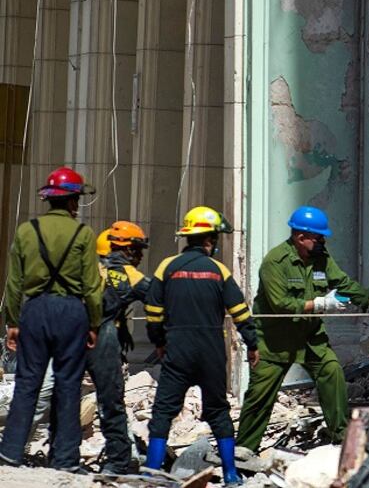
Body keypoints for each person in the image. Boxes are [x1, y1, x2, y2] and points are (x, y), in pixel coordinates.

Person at [237, 207, 369, 451]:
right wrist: (320, 303)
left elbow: (342, 283)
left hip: (311, 338)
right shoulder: (275, 262)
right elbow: (281, 305)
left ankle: (341, 441)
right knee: (260, 396)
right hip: (275, 341)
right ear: (301, 238)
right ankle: (244, 451)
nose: (323, 242)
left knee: (332, 373)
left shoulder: (321, 257)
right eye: (319, 238)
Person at [144, 206, 258, 485]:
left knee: (163, 412)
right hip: (211, 352)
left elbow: (152, 311)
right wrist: (252, 344)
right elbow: (241, 312)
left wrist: (159, 341)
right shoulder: (219, 271)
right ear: (209, 240)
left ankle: (150, 473)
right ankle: (231, 474)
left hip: (177, 350)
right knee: (218, 411)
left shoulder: (166, 267)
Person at [0, 167, 101, 471]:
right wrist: (94, 323)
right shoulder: (83, 234)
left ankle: (10, 453)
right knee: (69, 385)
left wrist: (13, 323)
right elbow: (92, 286)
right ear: (73, 201)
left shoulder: (26, 231)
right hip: (71, 312)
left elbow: (14, 283)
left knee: (27, 383)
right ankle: (65, 459)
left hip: (35, 311)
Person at [89, 221, 152, 474]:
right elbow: (156, 297)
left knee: (64, 397)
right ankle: (119, 460)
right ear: (126, 249)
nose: (139, 256)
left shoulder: (90, 269)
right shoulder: (129, 274)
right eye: (137, 249)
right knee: (111, 400)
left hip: (73, 336)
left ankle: (64, 456)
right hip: (104, 338)